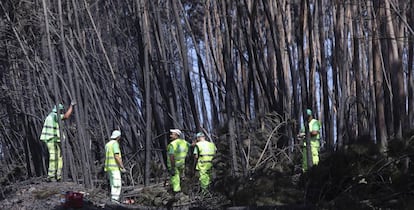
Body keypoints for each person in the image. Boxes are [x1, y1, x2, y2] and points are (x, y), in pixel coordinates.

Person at [40, 102, 75, 182]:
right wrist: (71, 106)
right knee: (54, 157)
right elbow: (66, 116)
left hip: (50, 139)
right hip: (53, 139)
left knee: (58, 158)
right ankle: (52, 176)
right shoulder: (55, 116)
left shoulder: (50, 116)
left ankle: (57, 175)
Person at [104, 130, 127, 203]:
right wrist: (122, 167)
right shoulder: (115, 144)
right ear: (118, 137)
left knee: (112, 184)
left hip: (109, 167)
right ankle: (115, 200)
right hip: (114, 168)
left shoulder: (108, 144)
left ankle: (113, 199)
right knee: (117, 184)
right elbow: (116, 156)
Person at [167, 129, 190, 194]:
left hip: (174, 165)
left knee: (175, 179)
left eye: (172, 134)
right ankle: (182, 191)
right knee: (180, 178)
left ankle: (177, 193)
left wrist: (173, 167)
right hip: (182, 164)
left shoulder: (172, 144)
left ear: (176, 135)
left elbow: (171, 156)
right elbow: (192, 146)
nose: (170, 135)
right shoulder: (184, 142)